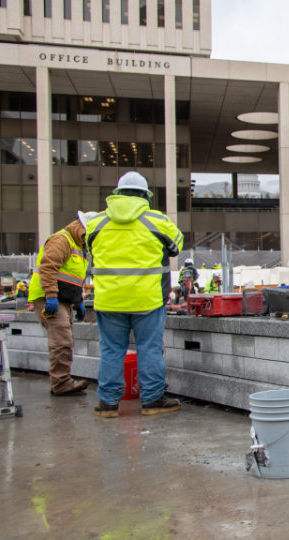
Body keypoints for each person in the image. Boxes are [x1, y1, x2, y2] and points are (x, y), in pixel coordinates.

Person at [86, 172, 183, 418]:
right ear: (145, 196)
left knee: (111, 350)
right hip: (147, 299)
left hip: (108, 300)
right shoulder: (156, 220)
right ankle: (152, 399)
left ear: (117, 193)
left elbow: (90, 248)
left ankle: (107, 404)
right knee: (149, 349)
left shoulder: (96, 222)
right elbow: (176, 246)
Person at [28, 211, 96, 396]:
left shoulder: (79, 247)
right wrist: (50, 295)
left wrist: (78, 300)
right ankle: (61, 384)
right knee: (61, 341)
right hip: (49, 299)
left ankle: (62, 381)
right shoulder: (62, 240)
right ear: (82, 227)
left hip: (62, 300)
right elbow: (48, 268)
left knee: (65, 340)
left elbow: (73, 277)